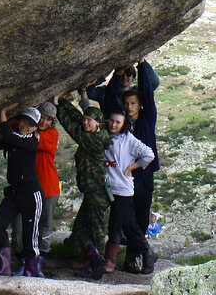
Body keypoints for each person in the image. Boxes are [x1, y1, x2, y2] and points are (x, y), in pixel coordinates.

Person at [55, 90, 112, 278]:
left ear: (98, 123)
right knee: (80, 229)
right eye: (86, 119)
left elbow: (72, 128)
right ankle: (91, 260)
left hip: (98, 194)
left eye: (90, 120)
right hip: (91, 192)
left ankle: (98, 264)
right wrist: (62, 102)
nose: (86, 122)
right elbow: (77, 118)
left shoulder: (94, 139)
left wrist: (57, 108)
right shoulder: (95, 132)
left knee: (96, 229)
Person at [113, 60, 160, 272]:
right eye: (126, 104)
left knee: (140, 216)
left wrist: (141, 65)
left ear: (139, 104)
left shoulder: (147, 119)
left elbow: (149, 95)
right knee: (126, 217)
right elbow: (110, 100)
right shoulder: (122, 125)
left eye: (133, 103)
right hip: (125, 177)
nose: (129, 107)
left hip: (144, 175)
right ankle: (144, 251)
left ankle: (135, 257)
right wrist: (117, 74)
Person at [0, 104, 44, 276]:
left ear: (35, 127)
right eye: (23, 121)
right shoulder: (18, 136)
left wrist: (3, 114)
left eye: (29, 124)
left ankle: (31, 270)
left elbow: (11, 139)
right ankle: (5, 266)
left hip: (31, 195)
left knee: (30, 237)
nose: (24, 125)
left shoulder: (31, 141)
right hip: (14, 193)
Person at [102, 109, 155, 275]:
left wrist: (131, 167)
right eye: (112, 121)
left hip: (122, 189)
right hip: (106, 187)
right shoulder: (103, 136)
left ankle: (110, 261)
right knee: (129, 225)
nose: (114, 124)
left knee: (116, 225)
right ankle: (148, 254)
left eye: (118, 122)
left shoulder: (128, 139)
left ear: (124, 124)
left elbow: (149, 154)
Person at [13, 100, 61, 259]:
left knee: (45, 223)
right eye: (42, 117)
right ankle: (20, 252)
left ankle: (43, 254)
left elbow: (31, 136)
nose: (44, 122)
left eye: (48, 119)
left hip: (48, 186)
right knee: (21, 220)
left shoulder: (51, 134)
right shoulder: (32, 131)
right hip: (29, 185)